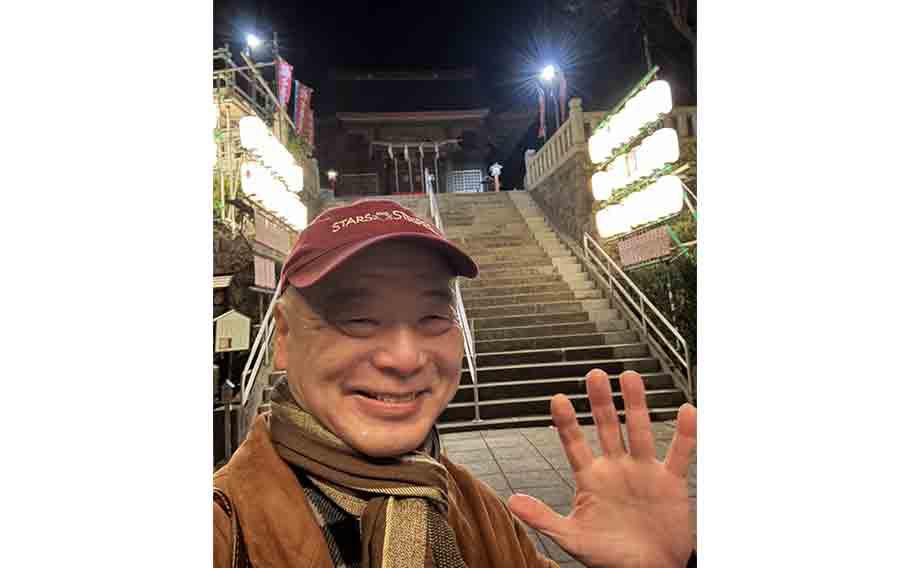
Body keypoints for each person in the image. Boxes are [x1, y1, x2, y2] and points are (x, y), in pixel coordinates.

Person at [213, 199, 697, 568]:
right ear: (283, 336)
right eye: (358, 318)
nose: (405, 358)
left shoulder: (477, 509)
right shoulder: (222, 531)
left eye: (433, 317)